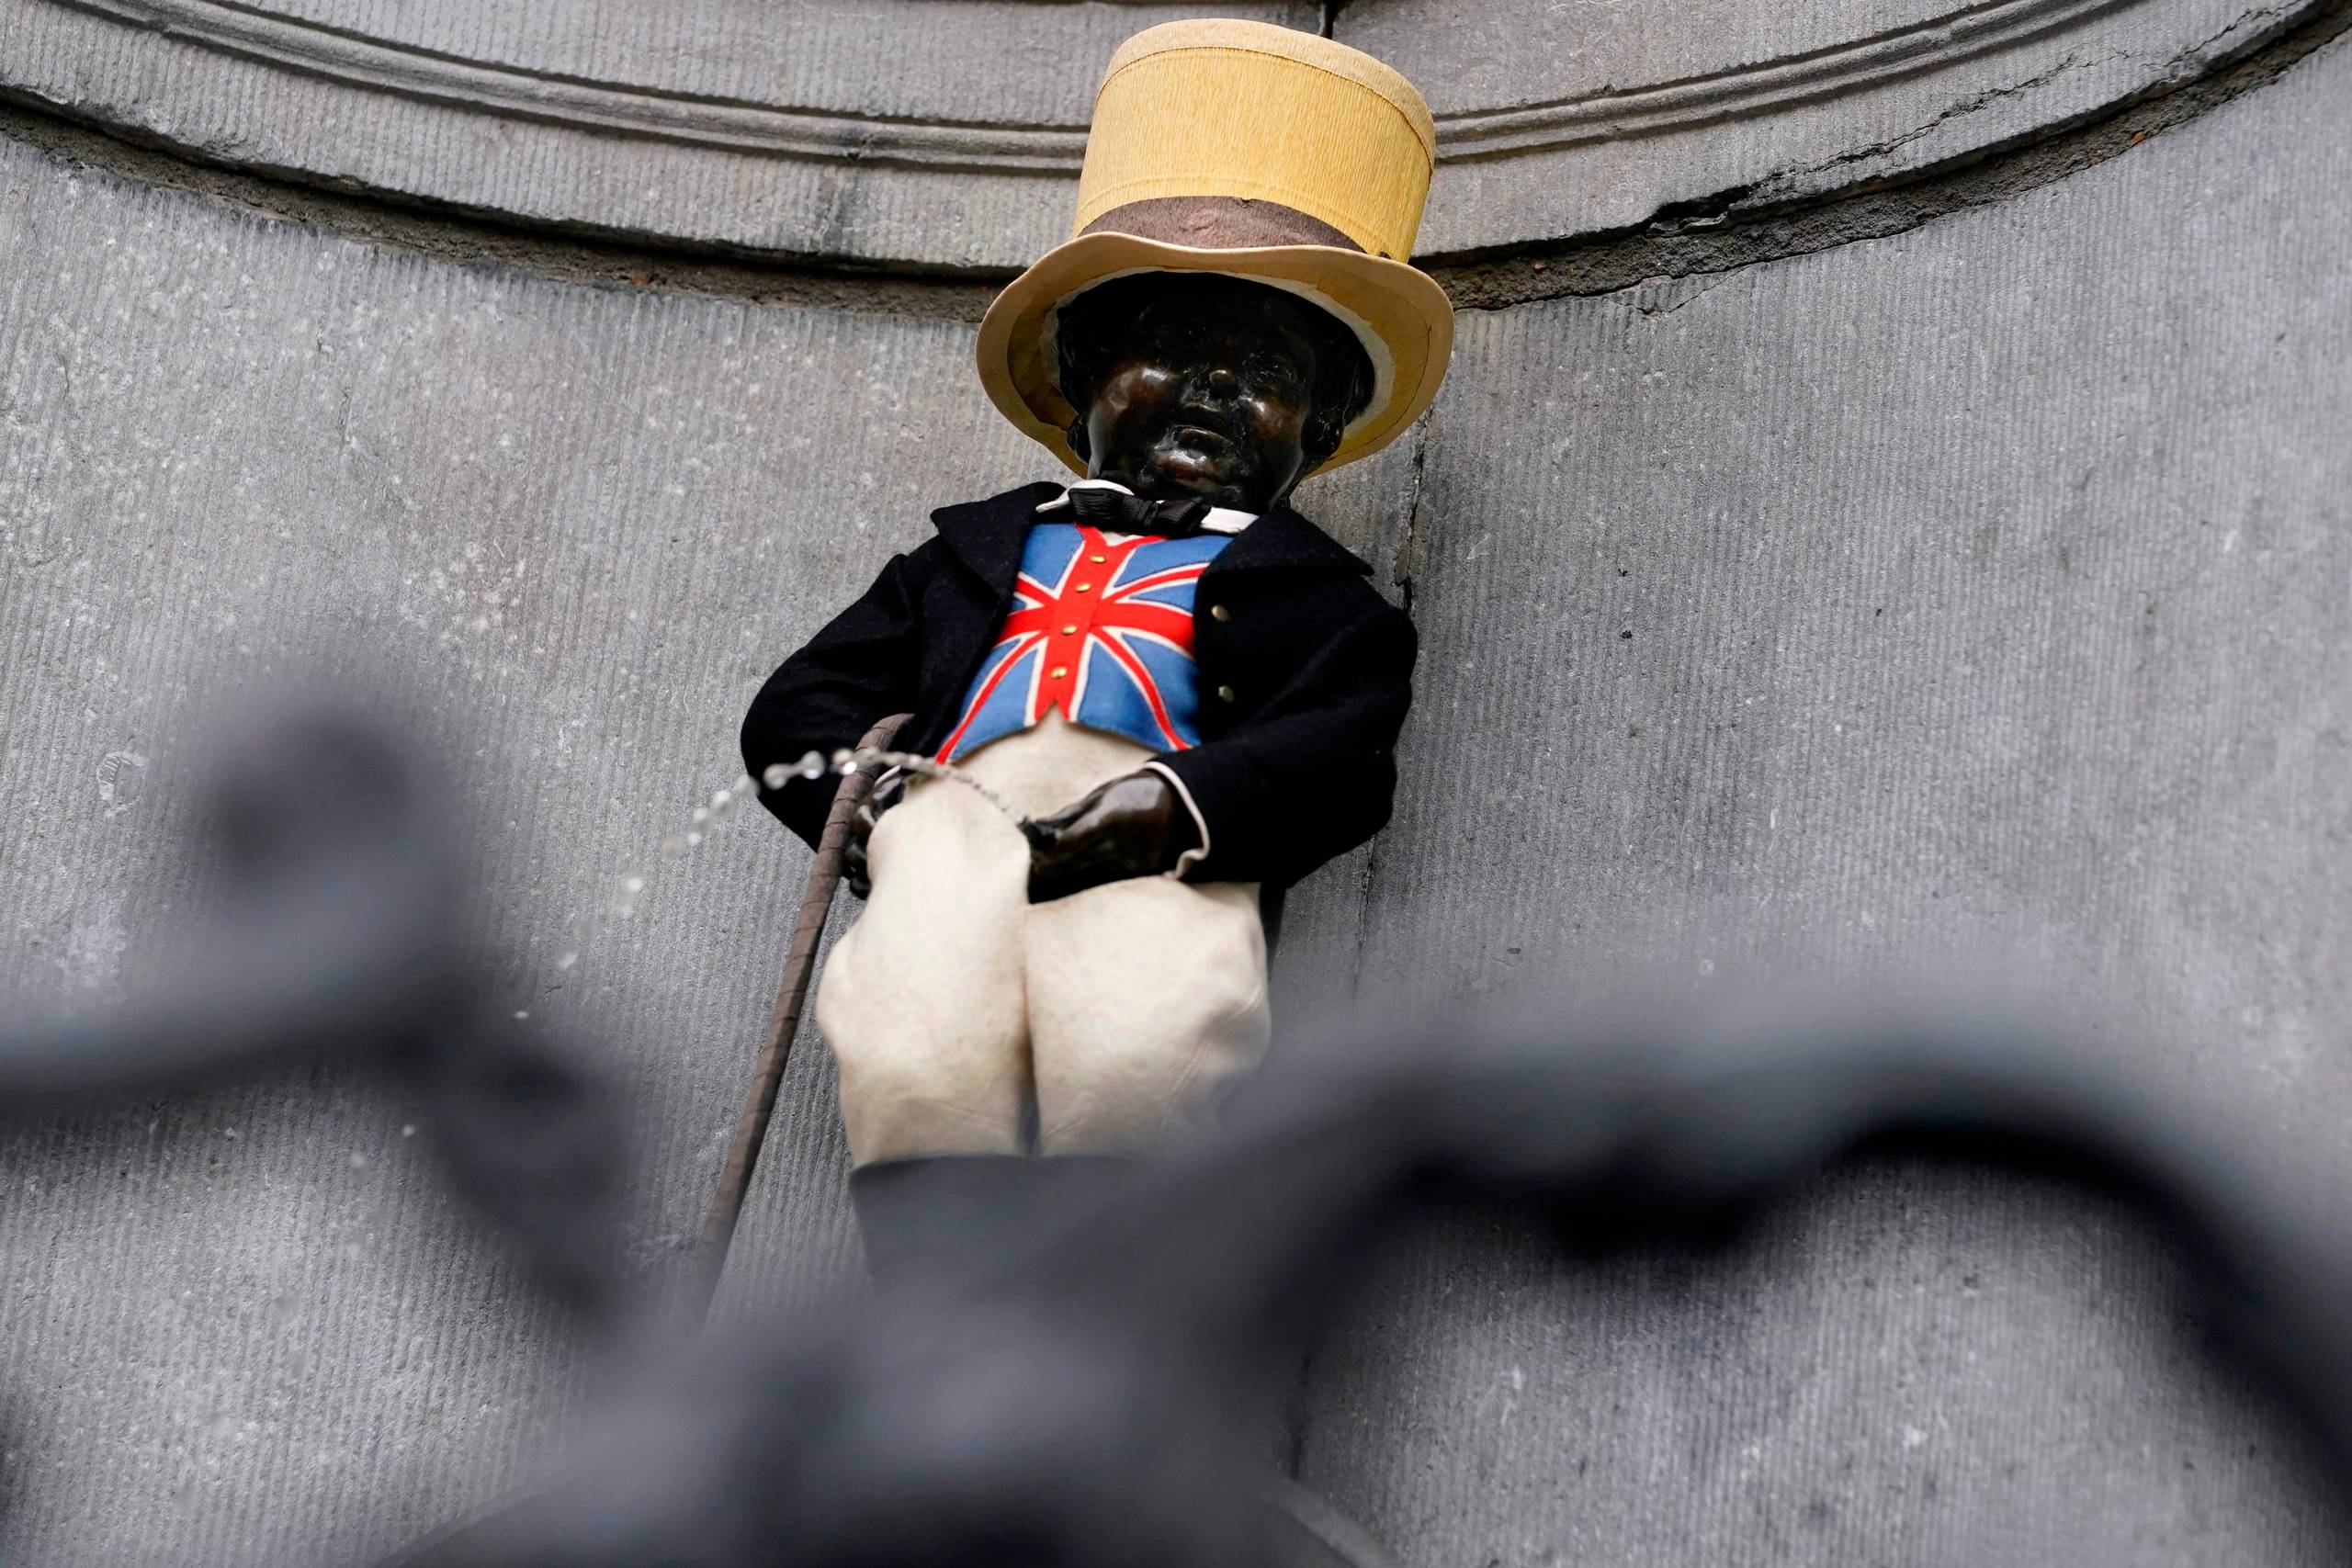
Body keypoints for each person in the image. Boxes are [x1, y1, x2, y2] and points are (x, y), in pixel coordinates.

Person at [741, 18, 1454, 1274]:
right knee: (914, 1040)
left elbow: (1341, 753)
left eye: (1268, 374)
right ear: (1079, 377)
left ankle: (1109, 1324)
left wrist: (1175, 804)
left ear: (1322, 432)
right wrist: (883, 816)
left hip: (1160, 841)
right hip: (953, 820)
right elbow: (802, 706)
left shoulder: (1320, 601)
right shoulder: (966, 558)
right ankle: (938, 1317)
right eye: (1166, 352)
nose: (1211, 391)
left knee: (1142, 1045)